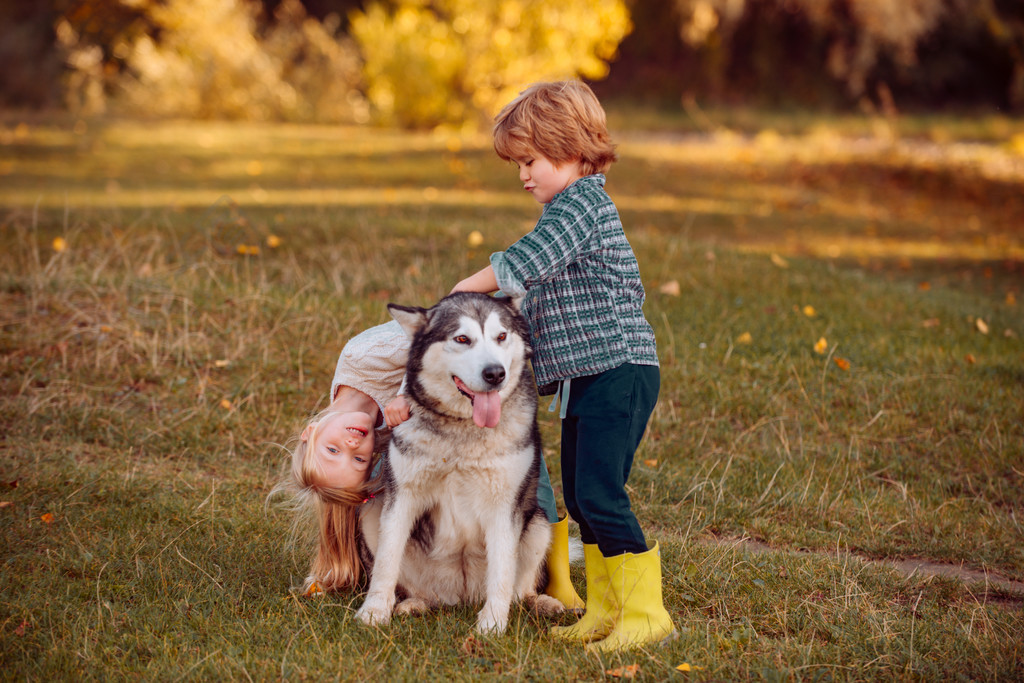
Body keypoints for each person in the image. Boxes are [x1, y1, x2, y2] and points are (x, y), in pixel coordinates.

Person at [451, 80, 676, 651]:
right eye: (517, 163)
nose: (523, 173)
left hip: (619, 370)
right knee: (579, 494)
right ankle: (606, 610)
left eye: (531, 159)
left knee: (601, 492)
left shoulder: (584, 203)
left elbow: (533, 259)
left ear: (572, 148)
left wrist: (466, 288)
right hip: (586, 378)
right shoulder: (564, 207)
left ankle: (646, 616)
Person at [273, 318, 584, 610]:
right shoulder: (373, 440)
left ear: (310, 431)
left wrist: (407, 394)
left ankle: (551, 577)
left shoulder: (361, 356)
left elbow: (440, 332)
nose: (352, 446)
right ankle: (414, 590)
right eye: (357, 459)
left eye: (331, 449)